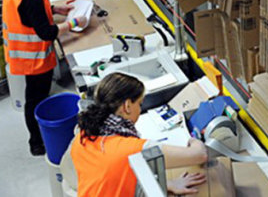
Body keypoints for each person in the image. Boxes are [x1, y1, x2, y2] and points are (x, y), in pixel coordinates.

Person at [2, 0, 89, 156]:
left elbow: (29, 13)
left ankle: (37, 139)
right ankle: (37, 142)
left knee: (34, 97)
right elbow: (46, 32)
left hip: (20, 53)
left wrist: (54, 9)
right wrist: (73, 23)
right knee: (36, 99)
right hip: (34, 58)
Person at [71, 73, 209, 196]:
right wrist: (193, 140)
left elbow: (112, 177)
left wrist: (168, 184)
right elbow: (199, 155)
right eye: (140, 104)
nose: (140, 110)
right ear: (127, 106)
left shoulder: (82, 136)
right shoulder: (133, 151)